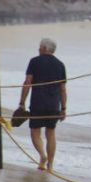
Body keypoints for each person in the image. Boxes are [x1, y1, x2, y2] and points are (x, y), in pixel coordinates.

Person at [19, 38, 67, 172]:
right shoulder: (60, 65)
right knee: (50, 133)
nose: (38, 50)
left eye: (40, 47)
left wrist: (22, 102)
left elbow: (27, 82)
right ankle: (50, 165)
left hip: (37, 103)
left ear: (45, 48)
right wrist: (63, 108)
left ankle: (42, 156)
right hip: (53, 105)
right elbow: (62, 89)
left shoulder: (34, 61)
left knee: (35, 132)